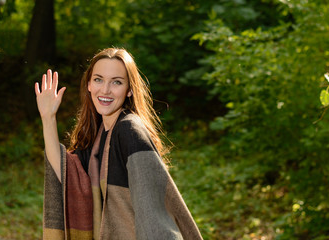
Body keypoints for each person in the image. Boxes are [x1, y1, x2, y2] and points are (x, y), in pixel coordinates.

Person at [35, 48, 203, 240]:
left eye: (117, 82)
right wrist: (48, 118)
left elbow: (152, 210)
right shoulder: (99, 134)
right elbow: (65, 173)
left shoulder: (129, 130)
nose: (105, 90)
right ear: (89, 84)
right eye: (98, 79)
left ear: (129, 90)